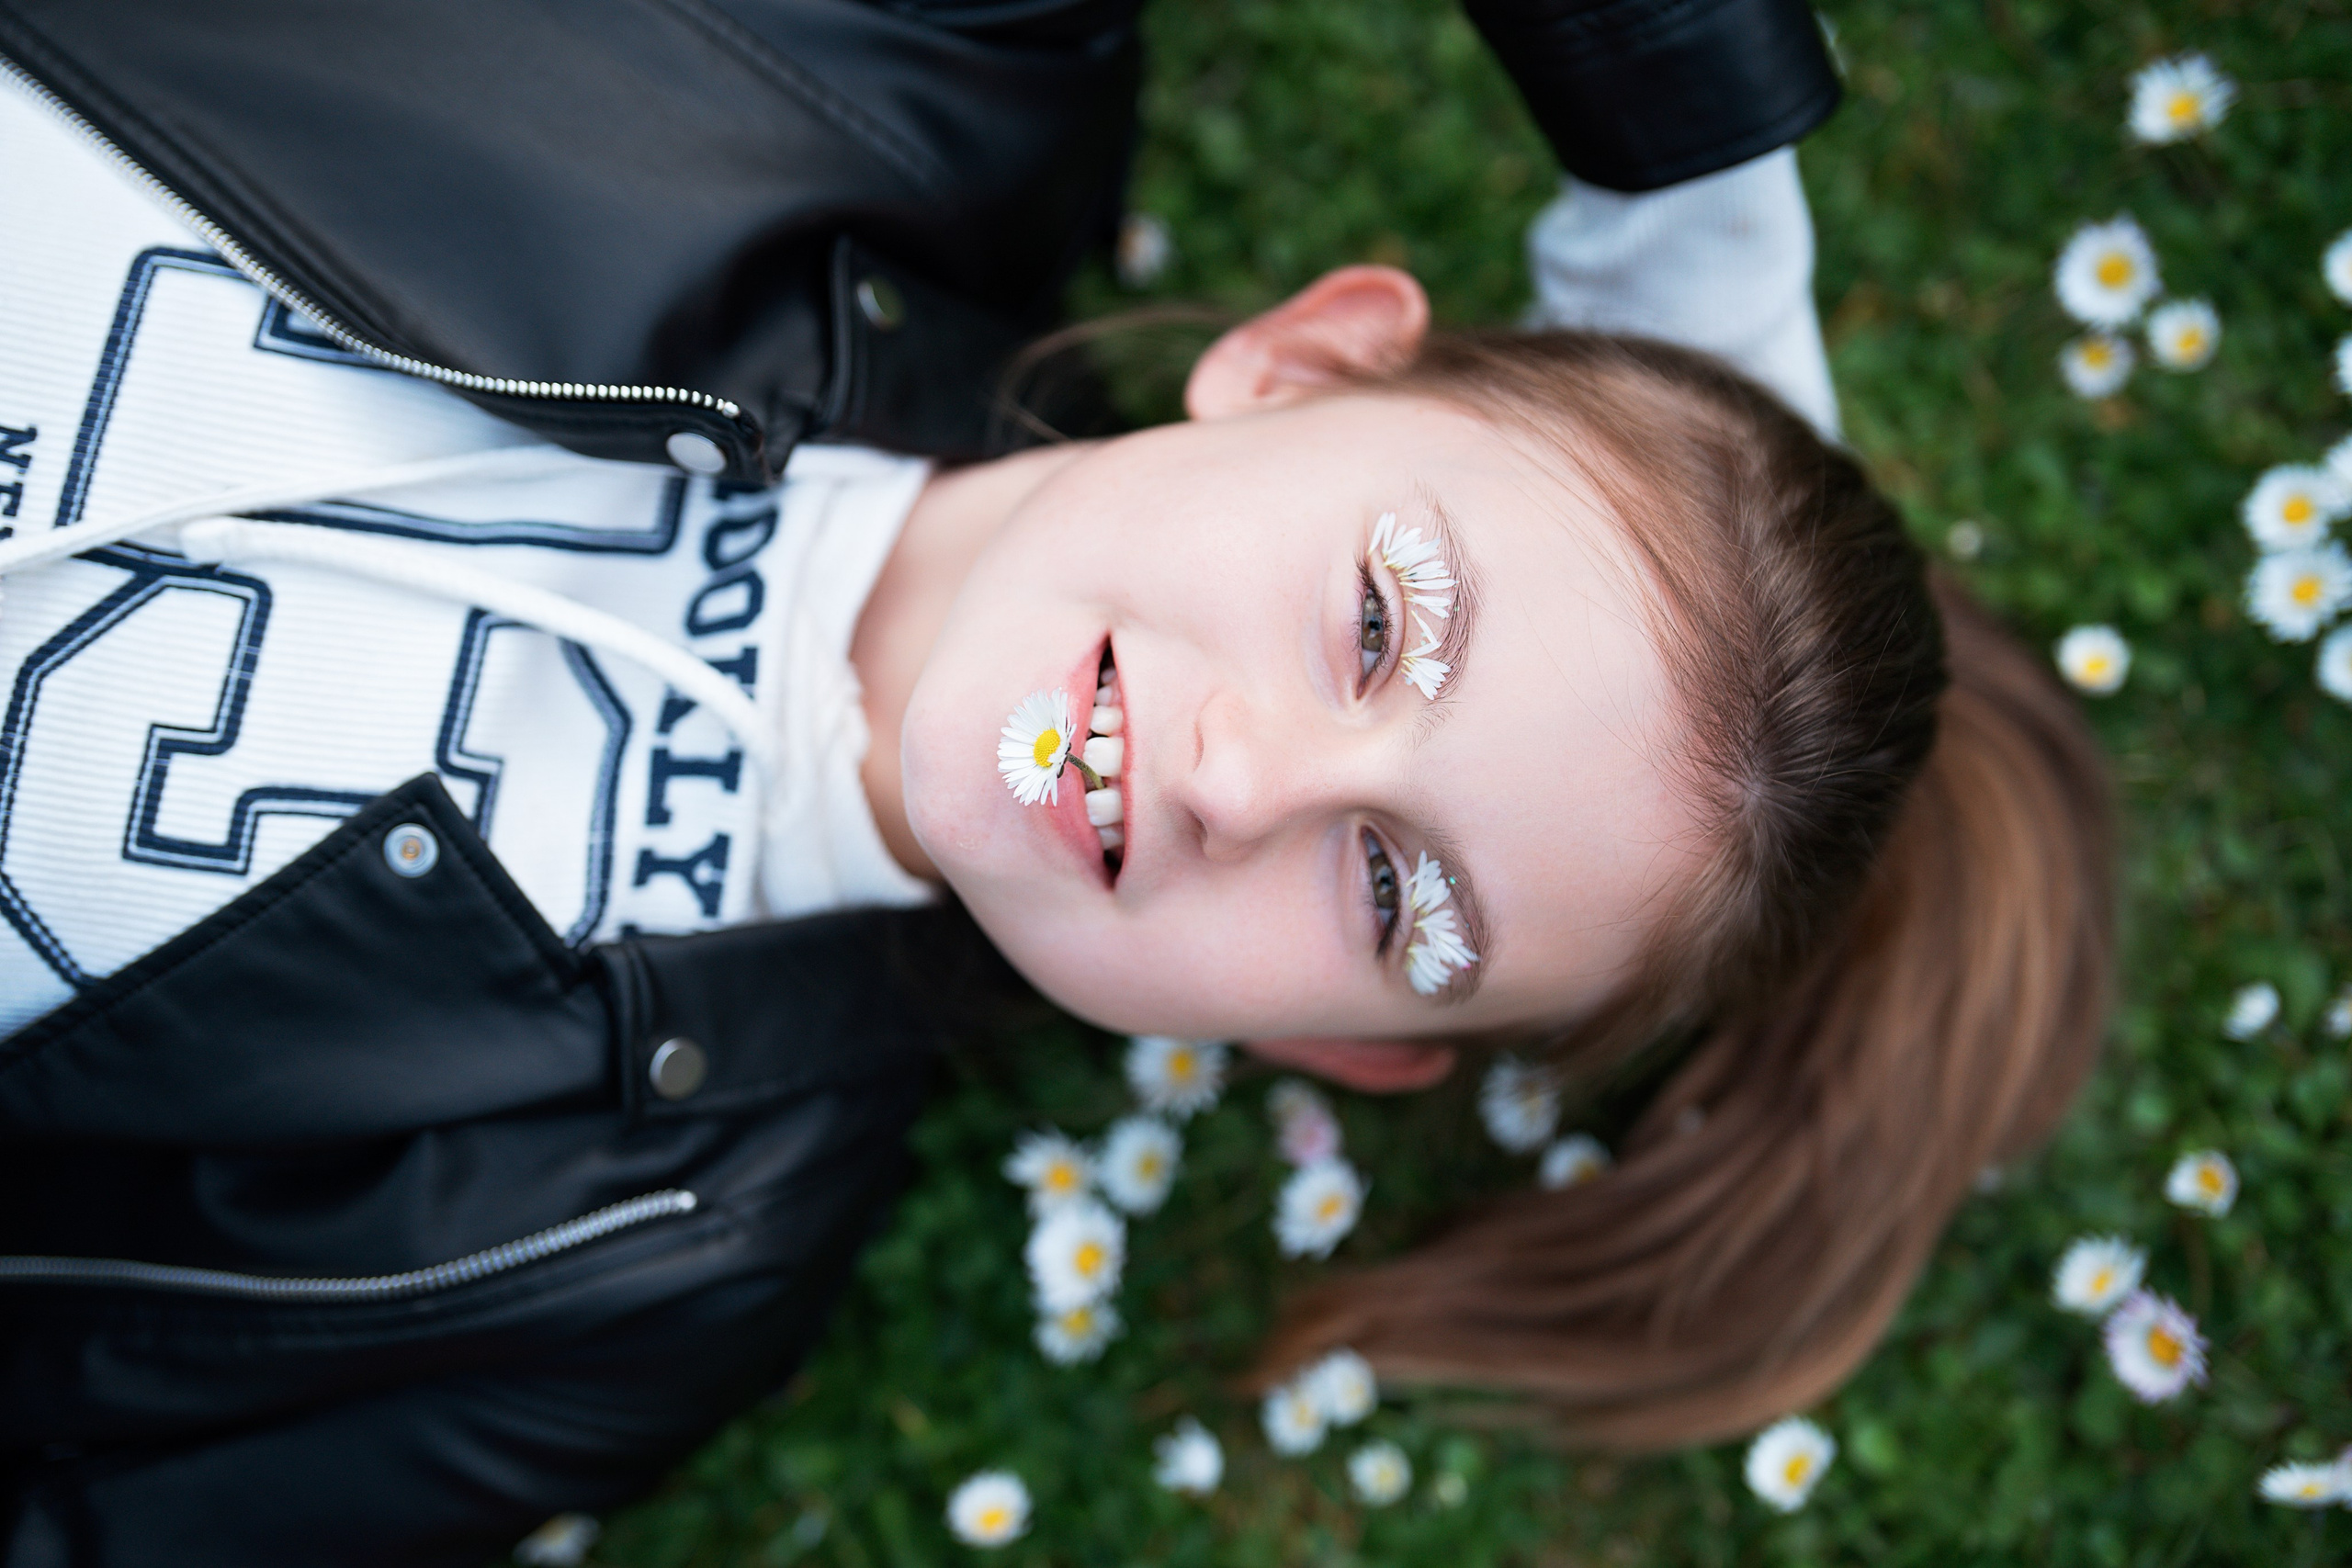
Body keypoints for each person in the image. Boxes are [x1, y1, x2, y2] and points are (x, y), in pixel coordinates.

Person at [0, 0, 2108, 1560]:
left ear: (1326, 1038)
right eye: (1380, 616)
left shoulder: (634, 1269)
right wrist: (1691, 176)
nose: (1236, 771)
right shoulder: (901, 51)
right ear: (1301, 365)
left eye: (1396, 896)